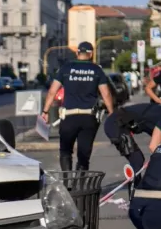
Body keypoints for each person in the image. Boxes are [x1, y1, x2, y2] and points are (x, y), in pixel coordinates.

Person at [41, 42, 115, 171]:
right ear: (91, 54)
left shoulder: (66, 68)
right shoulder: (96, 70)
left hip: (68, 117)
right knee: (84, 154)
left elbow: (52, 91)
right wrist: (112, 113)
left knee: (65, 151)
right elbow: (106, 93)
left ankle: (67, 182)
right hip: (89, 118)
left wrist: (45, 111)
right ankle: (80, 185)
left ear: (77, 53)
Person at [103, 102, 161, 176]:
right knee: (137, 160)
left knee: (138, 161)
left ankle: (138, 188)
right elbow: (154, 146)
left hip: (120, 124)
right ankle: (134, 194)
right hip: (115, 124)